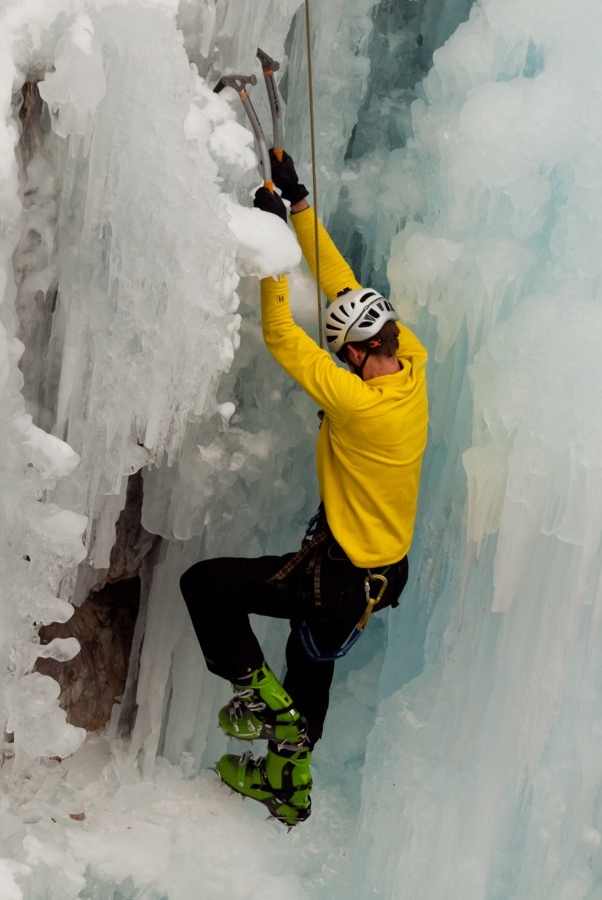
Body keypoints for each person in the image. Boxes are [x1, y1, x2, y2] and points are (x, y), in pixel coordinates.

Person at [179, 151, 429, 825]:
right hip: (379, 573)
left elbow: (283, 337)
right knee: (309, 655)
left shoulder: (359, 404)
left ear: (353, 354)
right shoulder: (411, 364)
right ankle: (287, 782)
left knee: (205, 587)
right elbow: (347, 289)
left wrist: (269, 255)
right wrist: (300, 209)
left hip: (343, 576)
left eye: (343, 345)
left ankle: (261, 707)